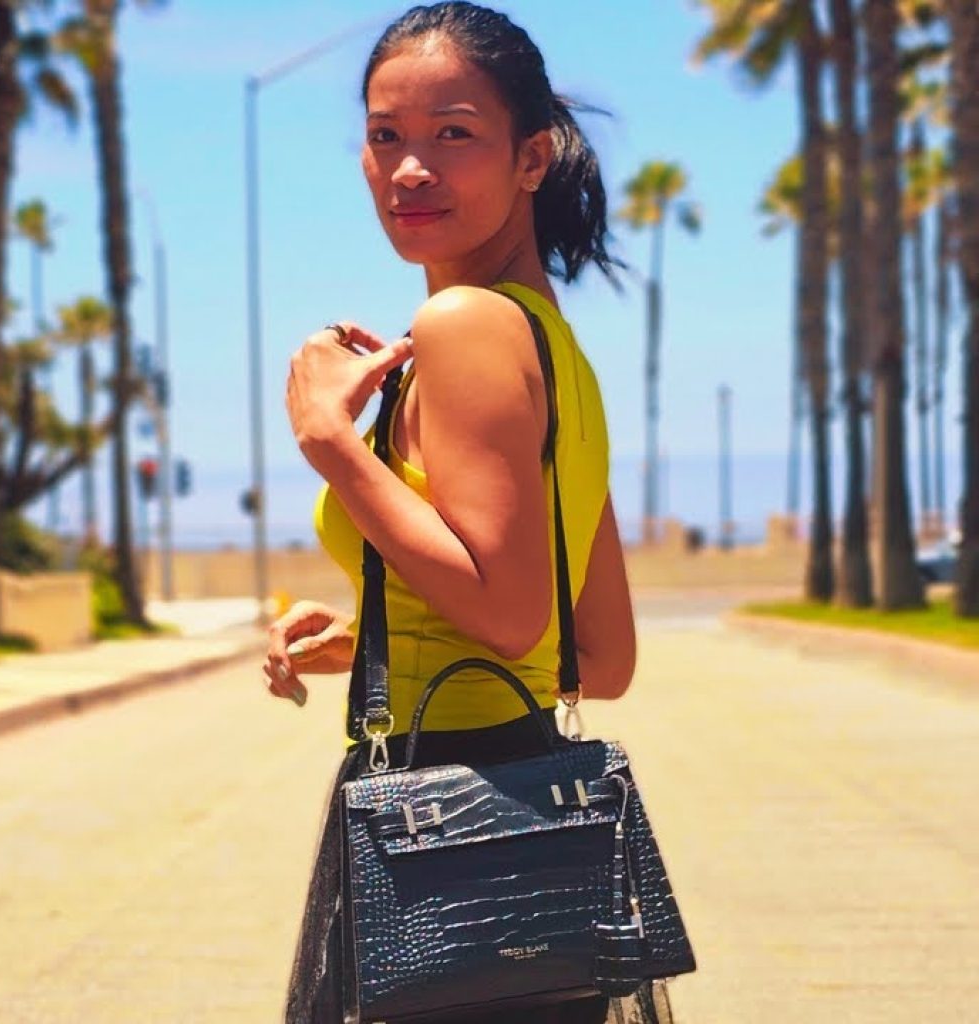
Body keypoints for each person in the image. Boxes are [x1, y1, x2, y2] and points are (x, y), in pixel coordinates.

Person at [262, 4, 662, 1021]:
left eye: (453, 134)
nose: (410, 169)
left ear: (531, 158)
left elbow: (509, 616)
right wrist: (379, 632)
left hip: (439, 826)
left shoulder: (463, 326)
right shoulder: (549, 344)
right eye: (385, 135)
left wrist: (329, 443)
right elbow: (600, 656)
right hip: (533, 821)